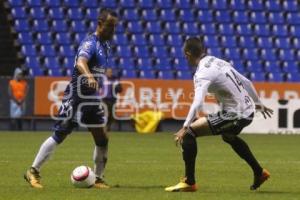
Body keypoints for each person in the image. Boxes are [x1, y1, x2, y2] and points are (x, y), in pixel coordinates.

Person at [24, 9, 118, 189]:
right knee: (61, 133)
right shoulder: (90, 43)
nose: (113, 31)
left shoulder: (106, 46)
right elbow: (80, 62)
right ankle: (33, 171)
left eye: (114, 27)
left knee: (102, 138)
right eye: (110, 26)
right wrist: (89, 76)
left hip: (91, 98)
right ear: (100, 24)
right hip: (76, 96)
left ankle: (97, 178)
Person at [165, 37, 273, 192]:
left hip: (236, 114)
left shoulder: (202, 73)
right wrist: (258, 103)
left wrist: (185, 126)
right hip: (248, 110)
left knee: (189, 133)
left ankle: (189, 182)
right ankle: (259, 172)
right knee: (228, 136)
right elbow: (247, 82)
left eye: (184, 54)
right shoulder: (217, 61)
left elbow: (198, 102)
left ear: (187, 54)